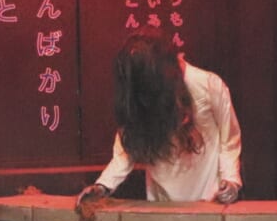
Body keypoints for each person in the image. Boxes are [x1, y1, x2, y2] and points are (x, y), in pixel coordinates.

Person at [76, 27, 242, 206]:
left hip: (209, 197)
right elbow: (127, 145)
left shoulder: (207, 85)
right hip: (161, 203)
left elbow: (229, 139)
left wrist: (231, 180)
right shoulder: (142, 93)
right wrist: (103, 186)